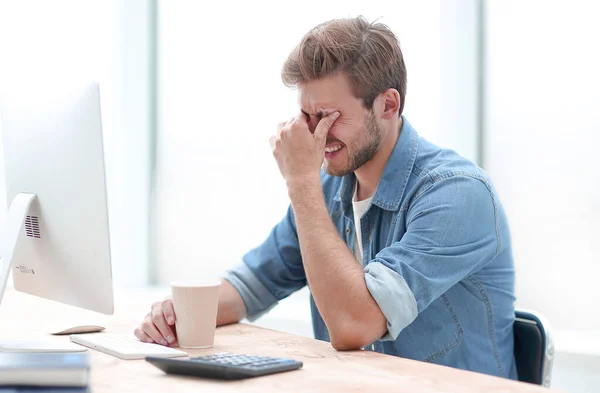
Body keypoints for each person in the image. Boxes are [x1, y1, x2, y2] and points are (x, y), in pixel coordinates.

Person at [135, 16, 517, 379]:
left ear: (388, 105)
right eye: (306, 115)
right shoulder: (331, 189)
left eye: (329, 115)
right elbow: (248, 288)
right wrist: (175, 315)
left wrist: (300, 182)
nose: (316, 133)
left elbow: (355, 325)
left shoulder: (457, 194)